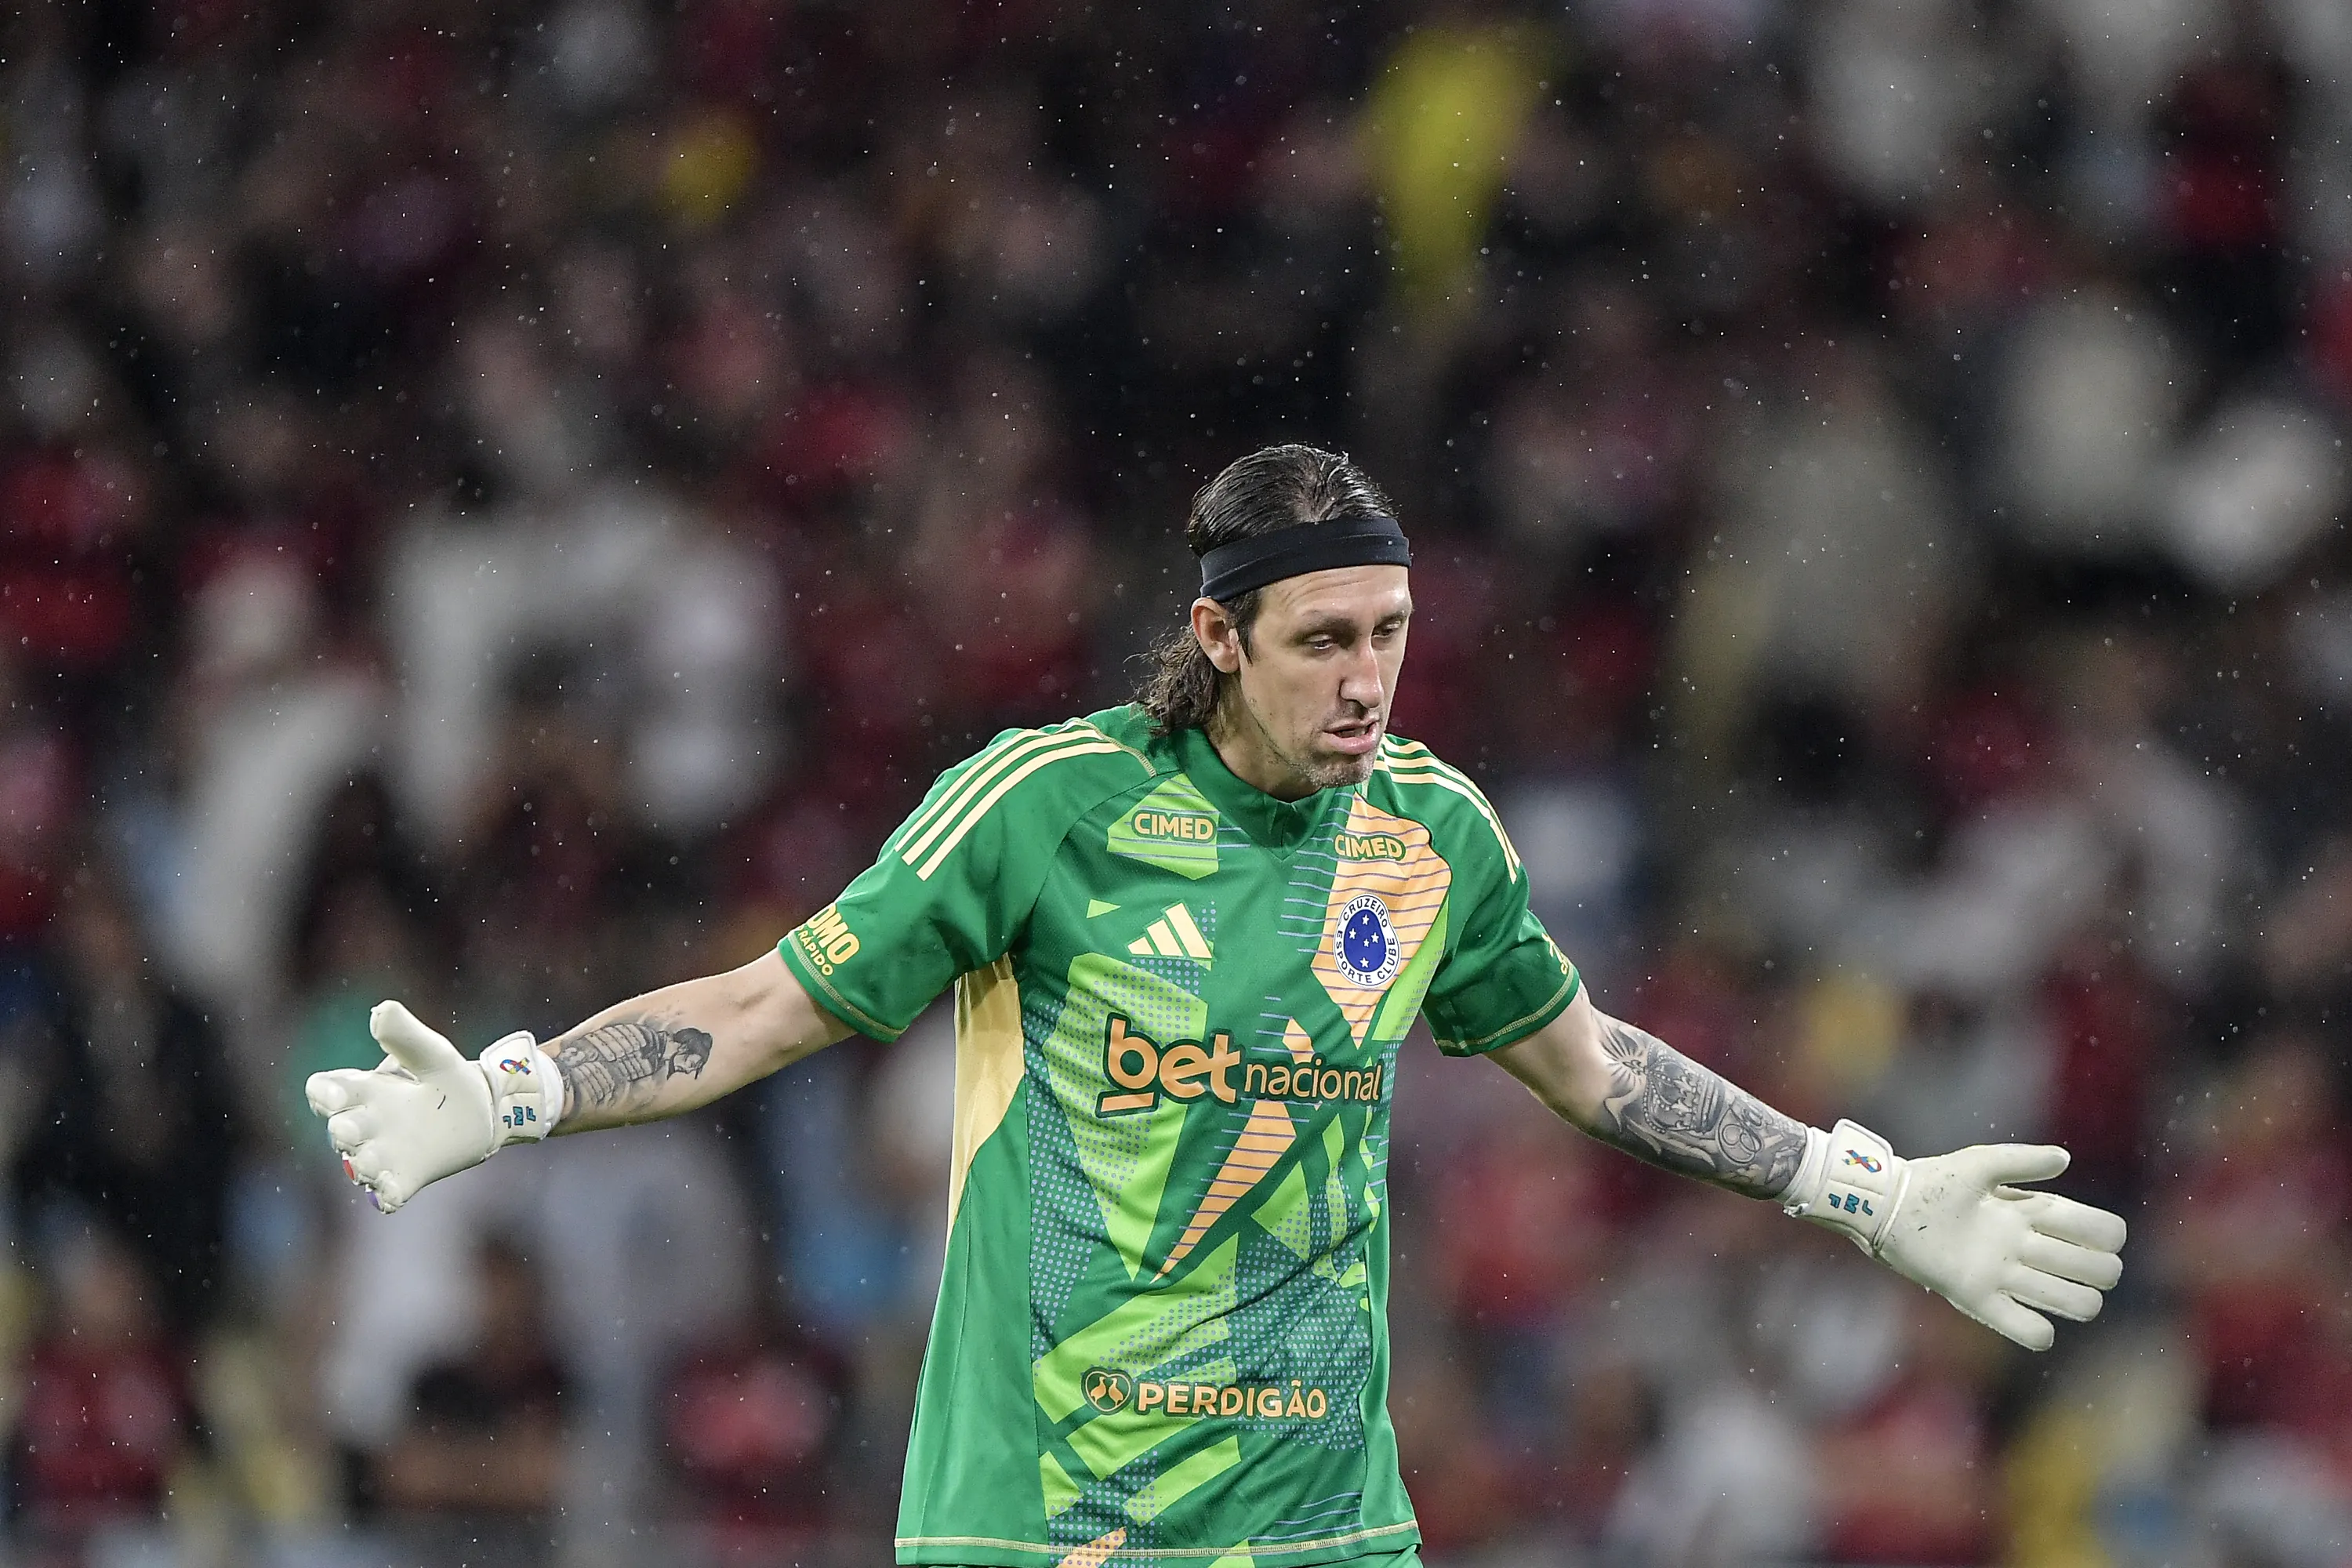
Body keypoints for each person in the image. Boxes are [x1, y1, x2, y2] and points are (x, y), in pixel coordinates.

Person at [307, 445, 2129, 1568]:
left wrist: (1861, 1188)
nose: (1367, 682)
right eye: (1324, 639)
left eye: (1391, 634)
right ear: (1220, 638)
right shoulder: (1047, 805)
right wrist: (521, 1090)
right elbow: (775, 1007)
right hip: (1043, 1517)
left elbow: (1586, 1065)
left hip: (1321, 1520)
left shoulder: (1432, 835)